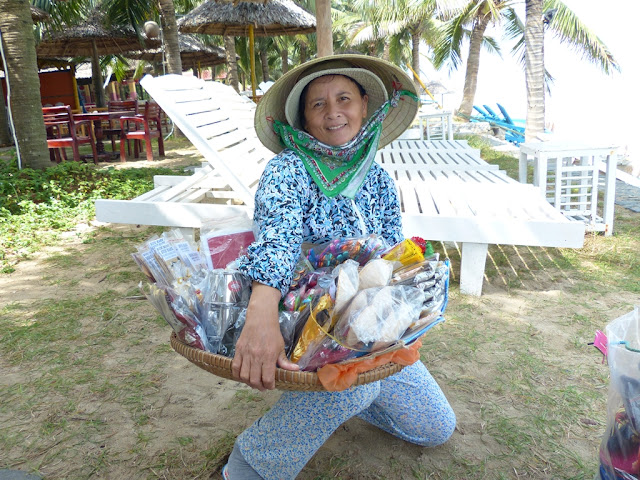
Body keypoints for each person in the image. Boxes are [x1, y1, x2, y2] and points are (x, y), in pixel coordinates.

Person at [225, 54, 456, 480]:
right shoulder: (287, 170)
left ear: (365, 106)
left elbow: (390, 259)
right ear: (304, 120)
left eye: (344, 98)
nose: (333, 112)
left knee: (434, 428)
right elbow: (276, 240)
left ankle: (357, 396)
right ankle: (249, 466)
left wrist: (407, 306)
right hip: (305, 317)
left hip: (370, 320)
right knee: (345, 388)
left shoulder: (378, 180)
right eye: (318, 104)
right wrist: (261, 315)